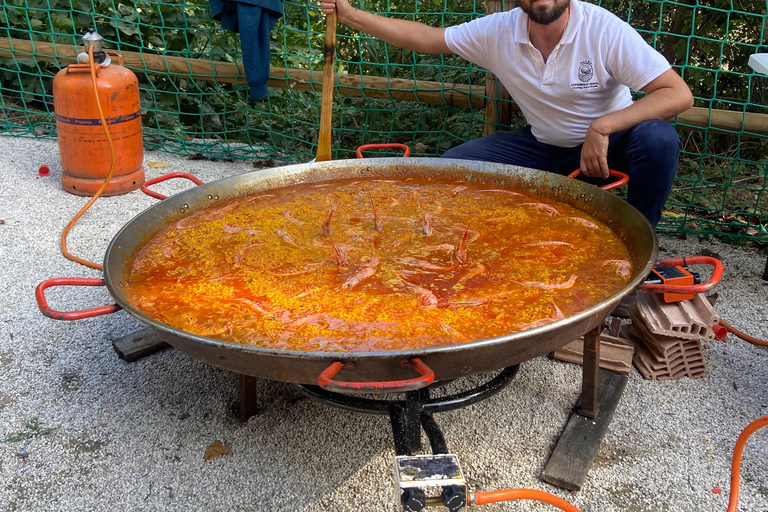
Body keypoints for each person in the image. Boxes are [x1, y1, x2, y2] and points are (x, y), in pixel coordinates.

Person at [319, 0, 694, 226]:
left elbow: (677, 94)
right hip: (544, 146)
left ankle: (641, 241)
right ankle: (482, 241)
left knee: (658, 138)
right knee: (452, 167)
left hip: (610, 146)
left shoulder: (604, 30)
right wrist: (351, 15)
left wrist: (603, 126)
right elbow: (424, 38)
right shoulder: (496, 30)